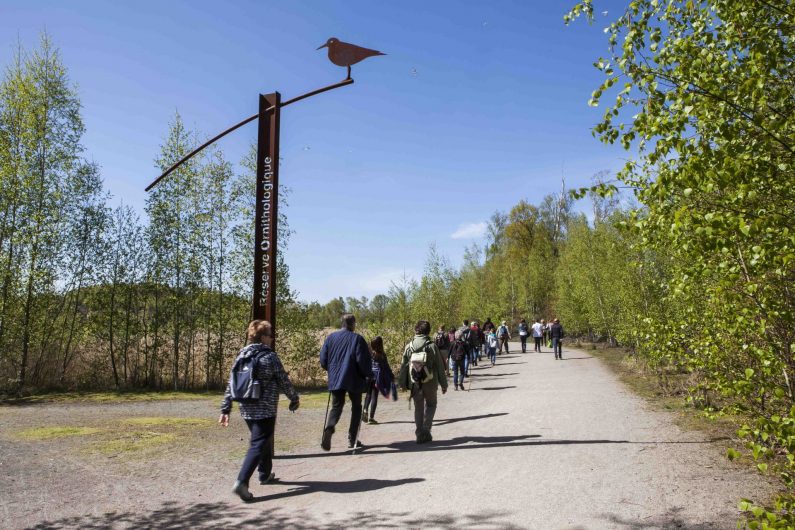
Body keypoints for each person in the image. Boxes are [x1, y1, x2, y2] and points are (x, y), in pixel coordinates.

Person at [219, 320, 300, 502]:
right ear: (263, 337)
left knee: (261, 440)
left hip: (246, 407)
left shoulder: (241, 355)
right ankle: (241, 481)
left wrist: (226, 408)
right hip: (265, 408)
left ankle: (264, 474)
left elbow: (231, 383)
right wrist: (294, 398)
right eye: (270, 334)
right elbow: (283, 381)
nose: (272, 338)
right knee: (258, 443)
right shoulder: (269, 357)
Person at [319, 313, 373, 451]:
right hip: (354, 378)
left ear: (342, 323)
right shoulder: (357, 339)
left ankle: (329, 427)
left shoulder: (330, 338)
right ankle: (352, 437)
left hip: (336, 377)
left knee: (336, 406)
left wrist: (332, 370)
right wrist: (368, 374)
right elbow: (363, 361)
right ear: (352, 324)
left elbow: (323, 360)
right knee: (356, 407)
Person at [399, 320, 448, 443]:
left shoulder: (409, 346)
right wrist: (444, 384)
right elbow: (440, 366)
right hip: (430, 381)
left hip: (415, 383)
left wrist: (402, 384)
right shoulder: (432, 346)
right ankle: (426, 429)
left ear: (416, 330)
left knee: (418, 408)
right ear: (428, 331)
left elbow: (403, 366)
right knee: (431, 405)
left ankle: (419, 433)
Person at [363, 336, 394, 425]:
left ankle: (365, 410)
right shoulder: (382, 355)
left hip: (369, 376)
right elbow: (386, 367)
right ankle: (371, 418)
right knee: (374, 396)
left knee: (368, 395)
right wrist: (391, 375)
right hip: (377, 378)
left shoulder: (368, 353)